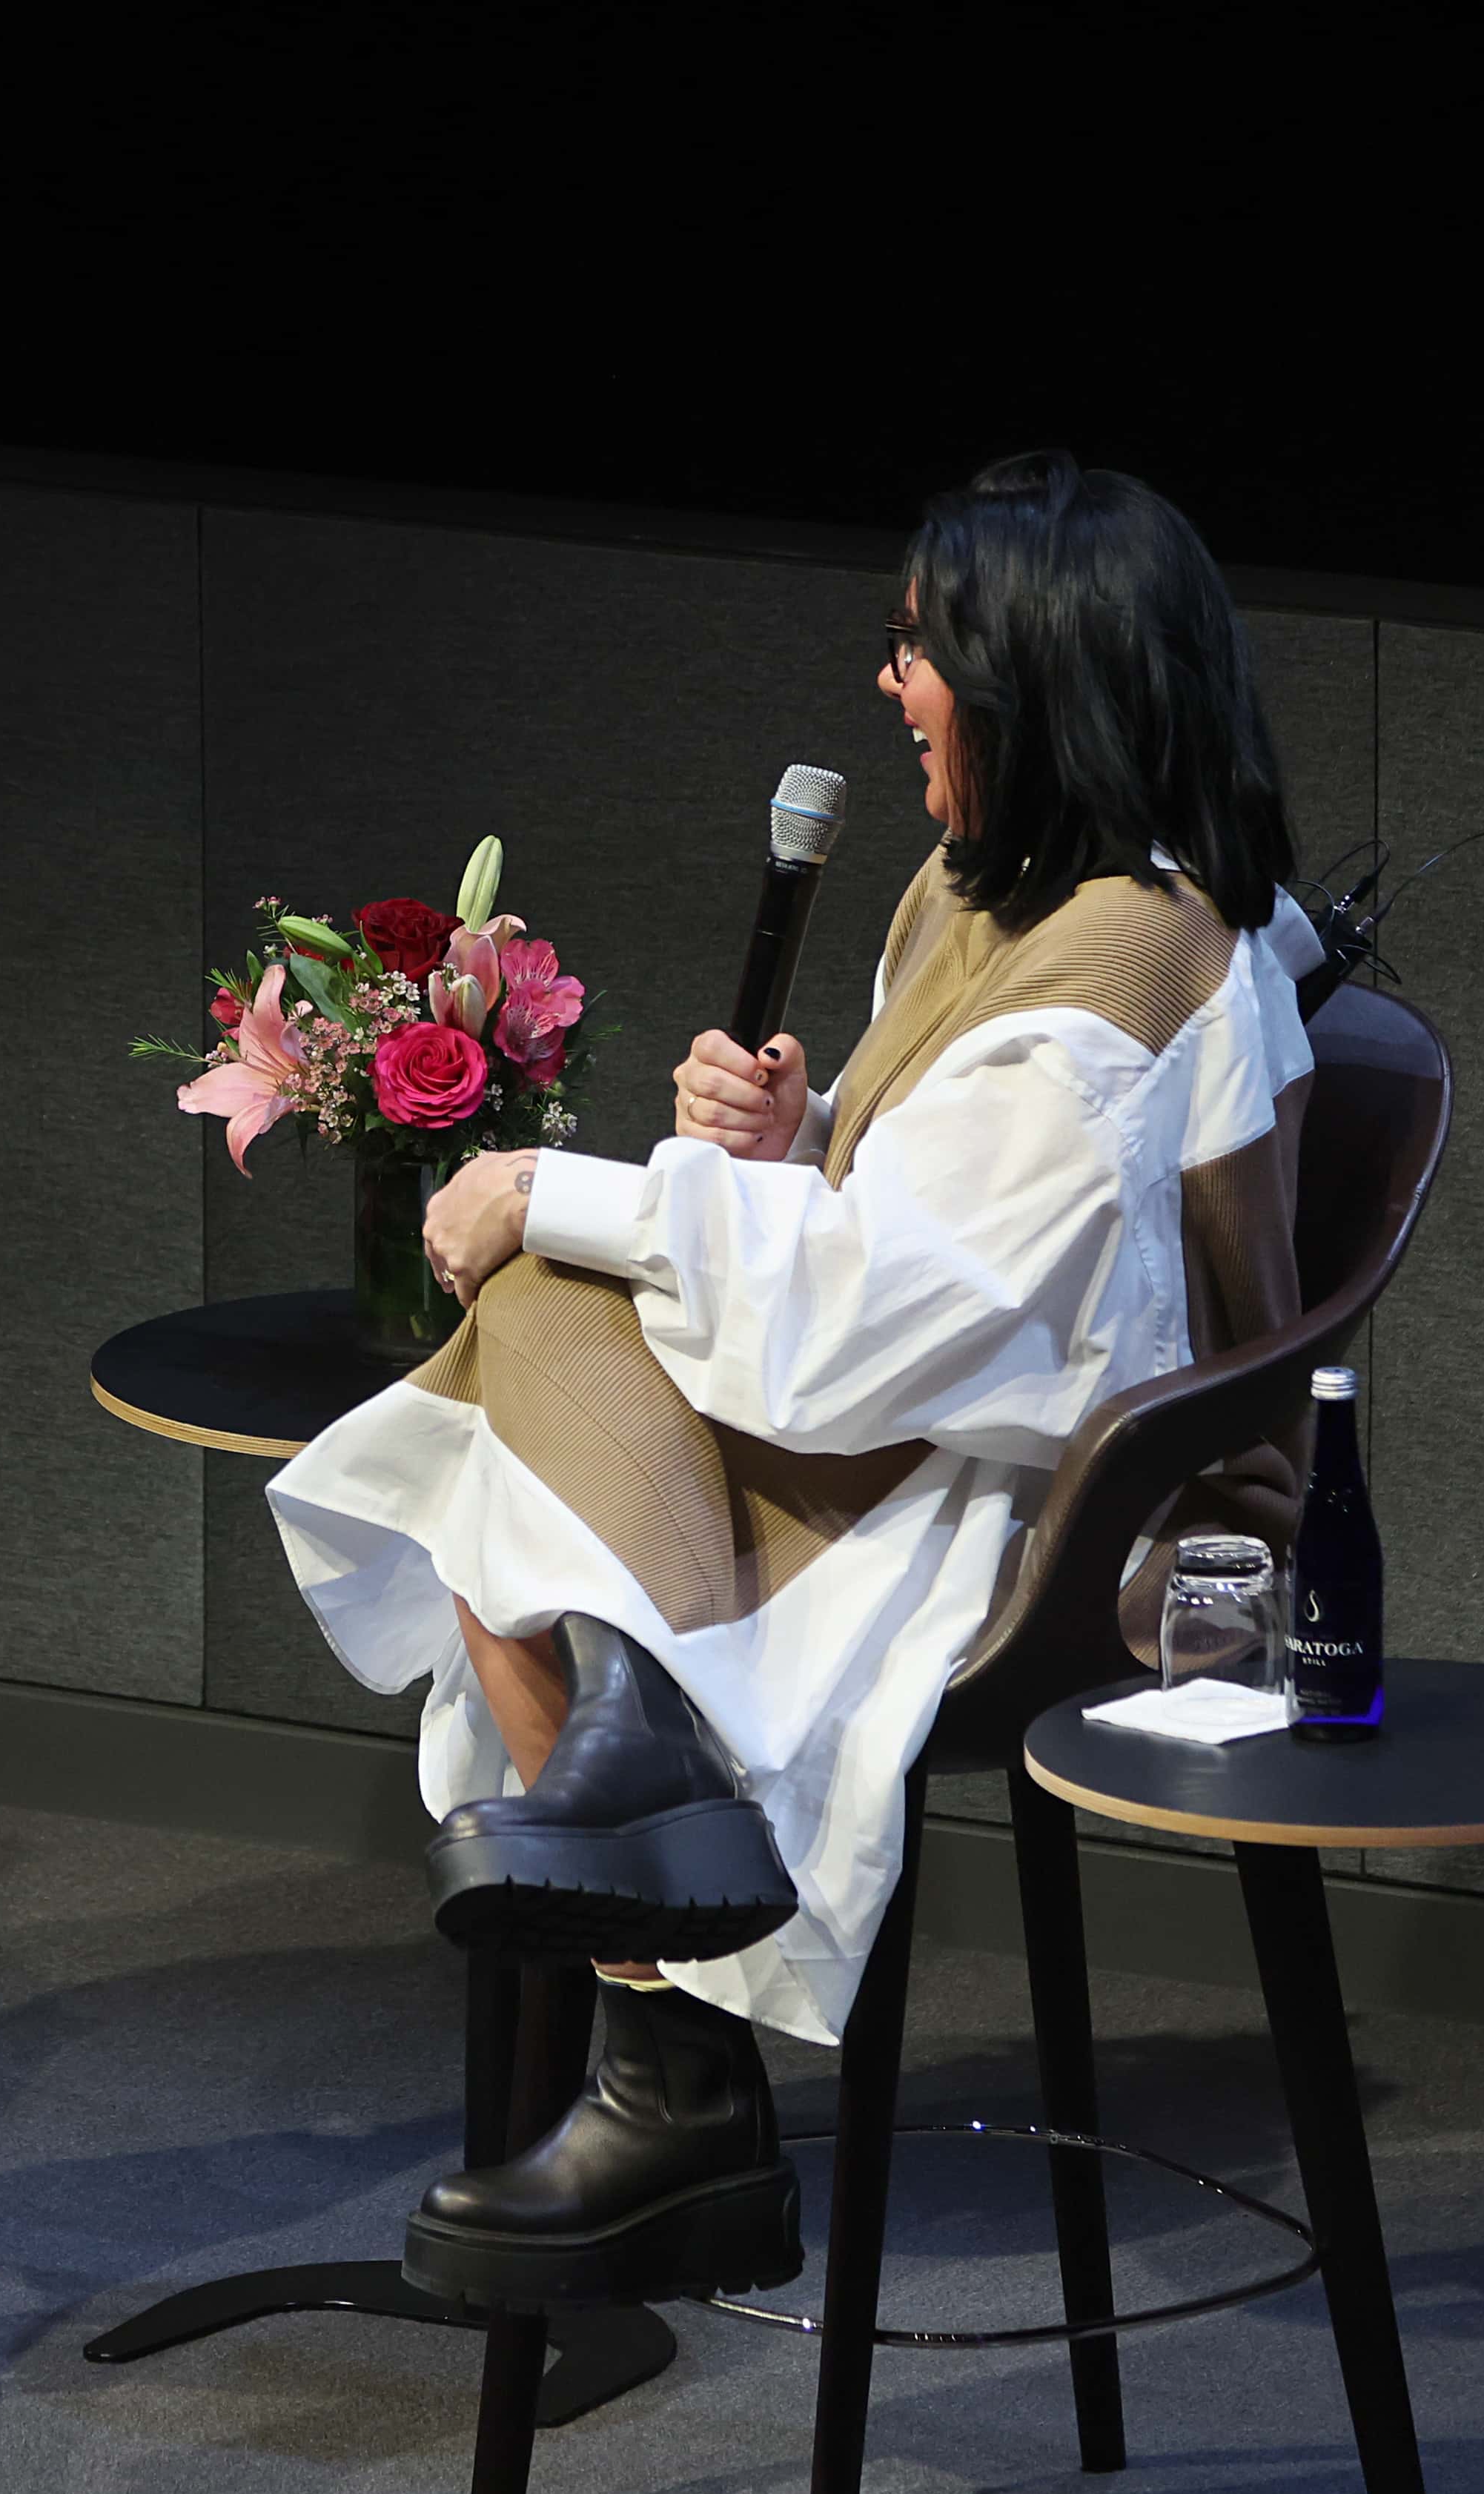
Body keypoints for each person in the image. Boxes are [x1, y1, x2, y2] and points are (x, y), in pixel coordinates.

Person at [268, 451, 1325, 2312]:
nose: (892, 688)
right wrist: (808, 1125)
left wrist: (567, 1186)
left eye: (920, 651)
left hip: (1056, 1506)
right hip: (946, 1393)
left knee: (525, 1356)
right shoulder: (992, 886)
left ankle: (665, 2032)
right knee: (527, 1390)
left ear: (1032, 673)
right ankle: (653, 1941)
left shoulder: (1133, 958)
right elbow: (951, 1219)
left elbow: (895, 1322)